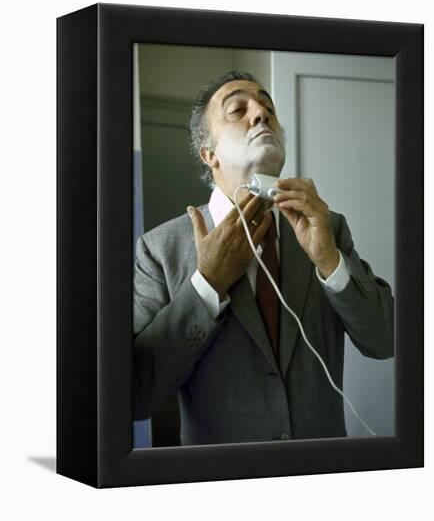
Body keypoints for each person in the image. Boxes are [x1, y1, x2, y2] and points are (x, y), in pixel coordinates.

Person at [133, 70, 394, 445]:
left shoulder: (327, 228)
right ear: (209, 155)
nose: (261, 113)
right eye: (238, 109)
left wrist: (330, 262)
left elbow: (386, 341)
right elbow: (136, 393)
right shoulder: (159, 250)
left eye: (267, 107)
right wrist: (207, 284)